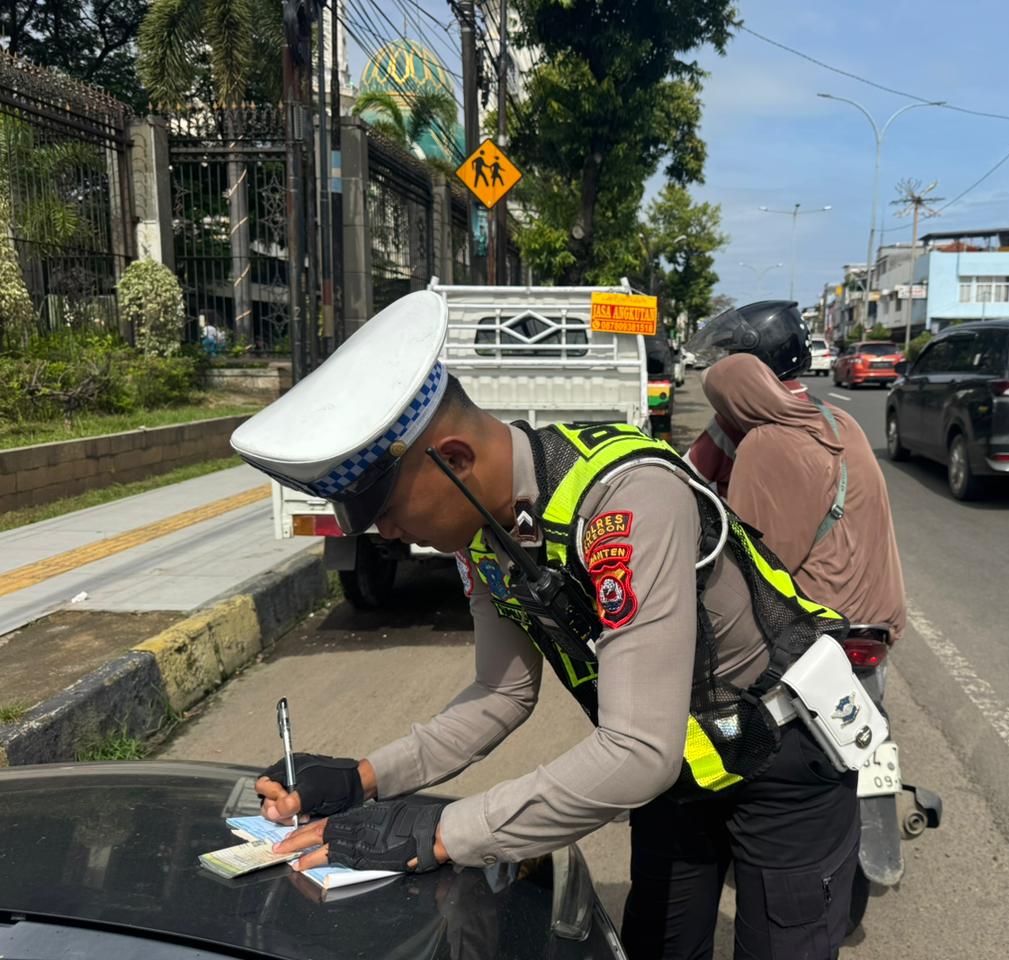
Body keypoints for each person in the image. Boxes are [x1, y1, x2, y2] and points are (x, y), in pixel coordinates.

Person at [232, 290, 863, 959]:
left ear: (455, 459)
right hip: (684, 761)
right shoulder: (484, 534)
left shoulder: (625, 498)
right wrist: (361, 779)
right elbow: (501, 694)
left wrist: (441, 833)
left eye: (382, 508)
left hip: (780, 755)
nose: (385, 532)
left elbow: (636, 750)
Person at [701, 353, 906, 641]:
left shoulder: (764, 444)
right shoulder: (838, 420)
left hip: (818, 619)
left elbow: (757, 556)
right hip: (882, 612)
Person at [682, 300, 816, 497]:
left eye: (734, 356)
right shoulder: (828, 416)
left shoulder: (736, 421)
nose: (728, 363)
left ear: (758, 359)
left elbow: (686, 476)